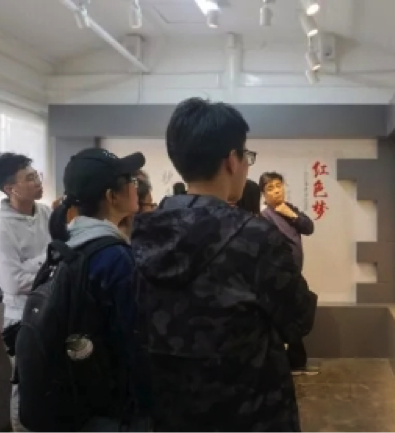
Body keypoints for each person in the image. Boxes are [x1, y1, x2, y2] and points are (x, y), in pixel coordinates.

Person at [131, 97, 318, 433]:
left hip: (171, 413)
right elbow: (299, 319)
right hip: (250, 412)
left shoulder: (144, 232)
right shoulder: (257, 237)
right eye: (246, 156)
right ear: (232, 160)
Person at [48, 148, 152, 432]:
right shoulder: (114, 257)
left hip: (80, 396)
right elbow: (134, 340)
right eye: (131, 181)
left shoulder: (68, 243)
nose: (136, 187)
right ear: (111, 196)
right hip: (115, 404)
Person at [0, 152, 51, 433]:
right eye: (30, 178)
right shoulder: (1, 229)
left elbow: (64, 257)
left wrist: (37, 265)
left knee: (51, 382)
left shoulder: (46, 213)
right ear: (10, 188)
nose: (37, 182)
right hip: (21, 319)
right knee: (25, 383)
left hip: (51, 308)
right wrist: (48, 262)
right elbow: (14, 283)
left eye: (37, 175)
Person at [258, 171, 318, 376]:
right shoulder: (264, 217)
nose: (276, 191)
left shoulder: (289, 209)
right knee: (287, 319)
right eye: (270, 188)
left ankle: (295, 362)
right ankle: (290, 363)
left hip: (293, 275)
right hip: (280, 278)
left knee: (297, 315)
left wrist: (290, 214)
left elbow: (309, 227)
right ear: (263, 194)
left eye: (278, 186)